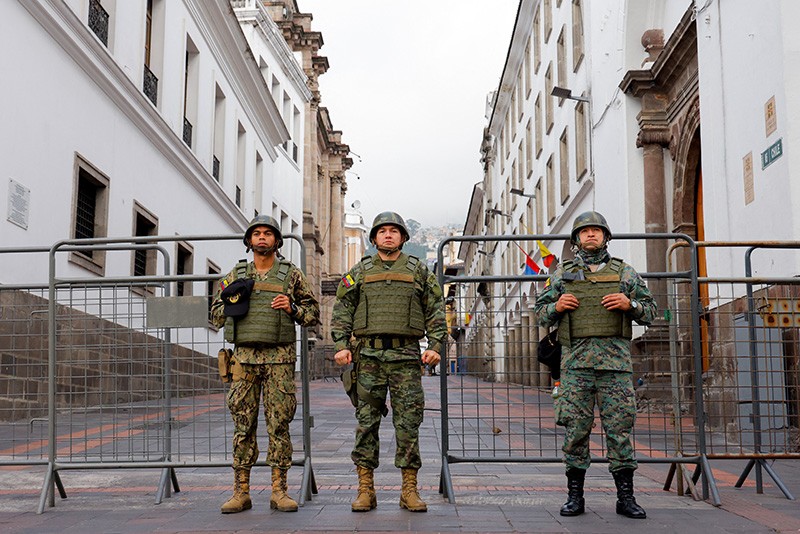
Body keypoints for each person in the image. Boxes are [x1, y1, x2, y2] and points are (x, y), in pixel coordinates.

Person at [533, 211, 656, 519]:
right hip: (575, 366)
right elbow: (540, 312)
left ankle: (625, 498)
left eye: (596, 231)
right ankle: (575, 496)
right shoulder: (562, 274)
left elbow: (651, 312)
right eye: (584, 231)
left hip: (615, 366)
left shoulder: (625, 273)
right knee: (576, 431)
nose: (590, 235)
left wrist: (631, 305)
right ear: (576, 239)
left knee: (620, 431)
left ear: (605, 237)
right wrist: (557, 306)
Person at [331, 211, 447, 513]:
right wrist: (342, 345)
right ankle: (365, 489)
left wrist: (435, 345)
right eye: (382, 231)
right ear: (373, 238)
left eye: (394, 231)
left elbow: (435, 308)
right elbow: (343, 307)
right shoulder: (359, 271)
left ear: (403, 238)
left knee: (408, 423)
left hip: (406, 356)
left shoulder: (418, 270)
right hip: (367, 357)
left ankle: (409, 489)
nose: (388, 235)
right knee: (366, 423)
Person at [211, 215, 319, 514]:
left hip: (280, 360)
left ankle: (279, 490)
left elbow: (312, 313)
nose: (261, 238)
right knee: (242, 425)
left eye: (268, 234)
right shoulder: (236, 273)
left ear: (276, 241)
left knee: (279, 425)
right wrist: (233, 301)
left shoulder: (291, 275)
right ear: (249, 241)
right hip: (244, 359)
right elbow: (216, 313)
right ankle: (241, 491)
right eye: (256, 234)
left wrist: (293, 307)